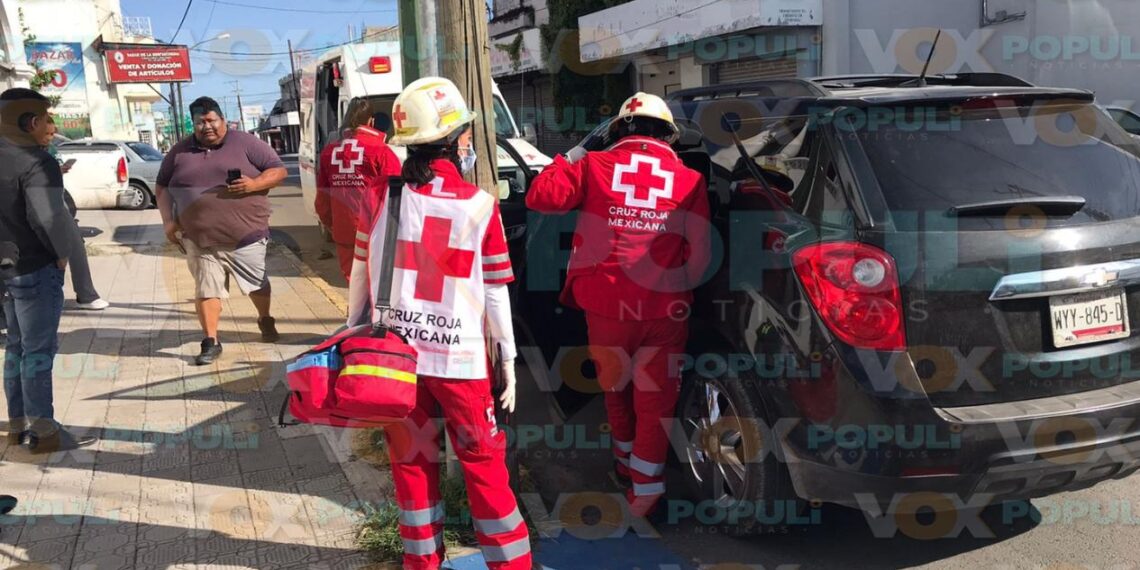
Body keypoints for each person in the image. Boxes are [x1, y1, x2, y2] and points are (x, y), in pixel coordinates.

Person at [347, 77, 531, 570]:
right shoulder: (479, 205)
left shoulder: (378, 198)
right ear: (459, 140)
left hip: (394, 360)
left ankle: (422, 564)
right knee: (484, 467)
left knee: (411, 465)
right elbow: (495, 290)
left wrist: (351, 337)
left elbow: (359, 274)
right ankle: (510, 564)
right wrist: (508, 358)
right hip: (461, 361)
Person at [526, 92, 711, 518]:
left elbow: (540, 197)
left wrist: (574, 153)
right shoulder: (691, 181)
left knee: (615, 387)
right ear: (668, 135)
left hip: (606, 305)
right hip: (665, 310)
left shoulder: (594, 165)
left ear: (619, 132)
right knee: (655, 397)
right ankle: (647, 489)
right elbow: (699, 256)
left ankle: (624, 464)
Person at [156, 96, 288, 365]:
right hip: (199, 237)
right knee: (206, 288)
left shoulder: (247, 143)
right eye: (199, 123)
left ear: (222, 120)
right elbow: (162, 186)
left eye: (211, 120)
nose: (206, 127)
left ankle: (265, 318)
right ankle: (211, 341)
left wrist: (253, 185)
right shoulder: (179, 151)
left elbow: (278, 171)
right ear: (192, 124)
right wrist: (168, 221)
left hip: (246, 235)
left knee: (256, 285)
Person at [0, 88, 97, 453]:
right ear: (30, 122)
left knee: (17, 348)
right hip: (34, 269)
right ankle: (45, 434)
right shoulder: (36, 161)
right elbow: (46, 216)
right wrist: (61, 254)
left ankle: (19, 426)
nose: (53, 129)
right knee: (37, 353)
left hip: (6, 271)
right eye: (48, 119)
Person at [316, 97, 401, 280]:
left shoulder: (329, 152)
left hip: (344, 230)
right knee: (380, 284)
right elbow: (397, 196)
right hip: (375, 230)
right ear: (371, 121)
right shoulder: (381, 151)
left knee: (354, 283)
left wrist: (331, 223)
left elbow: (322, 198)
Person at [43, 116, 108, 310]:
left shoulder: (49, 150)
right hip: (34, 204)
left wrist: (58, 170)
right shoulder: (18, 152)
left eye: (52, 133)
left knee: (75, 243)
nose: (50, 137)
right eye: (47, 133)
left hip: (55, 199)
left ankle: (86, 293)